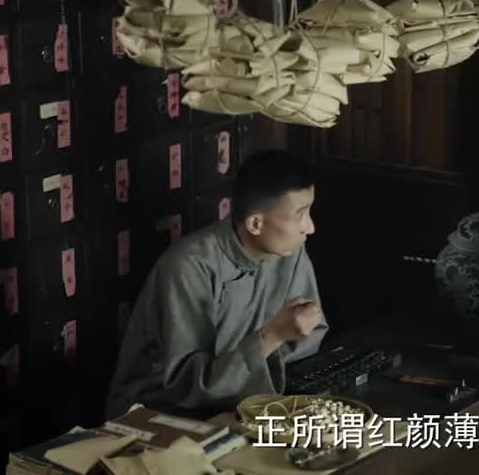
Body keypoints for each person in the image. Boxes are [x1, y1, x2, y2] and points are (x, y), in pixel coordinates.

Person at [106, 150, 328, 419]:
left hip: (242, 398)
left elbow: (309, 338)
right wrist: (271, 337)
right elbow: (190, 386)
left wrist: (262, 352)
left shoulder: (288, 249)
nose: (310, 227)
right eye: (300, 215)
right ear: (255, 223)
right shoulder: (188, 266)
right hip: (160, 411)